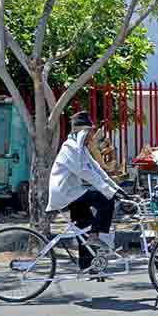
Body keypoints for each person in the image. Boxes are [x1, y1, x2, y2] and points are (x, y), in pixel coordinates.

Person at [46, 111, 129, 273]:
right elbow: (85, 172)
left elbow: (96, 170)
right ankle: (97, 237)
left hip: (73, 193)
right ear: (83, 132)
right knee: (106, 201)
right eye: (90, 132)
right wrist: (108, 191)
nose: (92, 136)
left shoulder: (80, 149)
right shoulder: (70, 148)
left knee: (85, 226)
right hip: (65, 194)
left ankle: (87, 265)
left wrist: (116, 188)